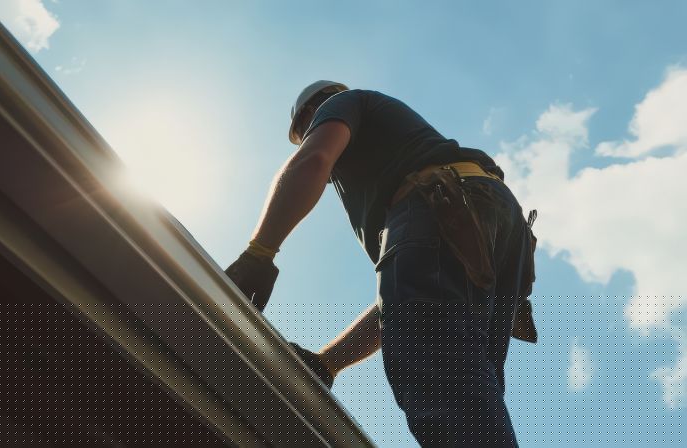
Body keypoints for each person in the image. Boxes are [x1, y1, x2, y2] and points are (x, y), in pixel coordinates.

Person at [225, 80, 538, 447]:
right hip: (497, 227)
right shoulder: (396, 150)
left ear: (312, 113)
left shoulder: (344, 103)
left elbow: (314, 160)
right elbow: (403, 305)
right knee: (467, 381)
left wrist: (259, 254)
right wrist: (329, 363)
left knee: (445, 375)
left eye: (306, 131)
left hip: (444, 202)